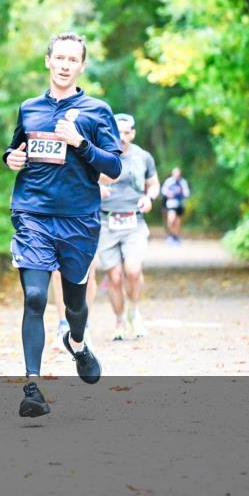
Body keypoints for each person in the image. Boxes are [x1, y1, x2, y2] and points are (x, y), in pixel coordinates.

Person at [2, 32, 122, 418]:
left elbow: (114, 168)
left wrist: (81, 143)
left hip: (78, 219)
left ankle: (78, 342)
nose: (66, 64)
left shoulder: (97, 111)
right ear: (48, 61)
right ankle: (32, 387)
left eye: (73, 59)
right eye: (60, 57)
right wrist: (10, 159)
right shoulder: (29, 107)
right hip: (32, 213)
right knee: (35, 297)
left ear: (82, 66)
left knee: (75, 304)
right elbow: (16, 146)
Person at [97, 114, 159, 340]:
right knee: (114, 277)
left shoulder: (143, 157)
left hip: (134, 221)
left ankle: (134, 311)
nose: (121, 137)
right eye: (117, 132)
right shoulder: (99, 155)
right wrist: (96, 189)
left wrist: (149, 198)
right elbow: (83, 180)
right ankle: (119, 321)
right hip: (106, 222)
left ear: (132, 133)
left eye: (126, 132)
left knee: (133, 270)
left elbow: (153, 184)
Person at [161, 167, 190, 244]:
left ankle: (175, 236)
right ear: (172, 174)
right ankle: (171, 235)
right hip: (171, 204)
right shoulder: (169, 181)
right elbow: (163, 190)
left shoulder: (183, 182)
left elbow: (187, 193)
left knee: (178, 222)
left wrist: (182, 193)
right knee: (171, 220)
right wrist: (169, 193)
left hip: (180, 204)